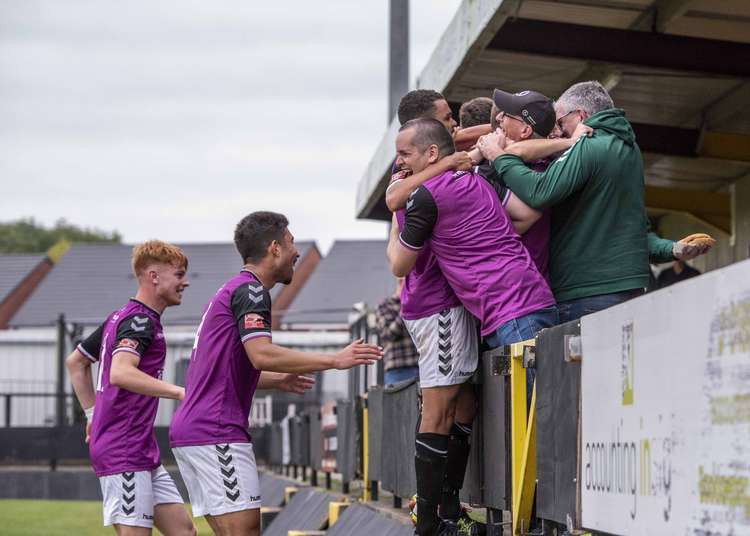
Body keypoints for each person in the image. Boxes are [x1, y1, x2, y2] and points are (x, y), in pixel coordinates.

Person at [387, 119, 557, 536]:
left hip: (501, 307)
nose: (399, 161)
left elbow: (398, 262)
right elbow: (517, 212)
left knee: (507, 415)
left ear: (429, 154)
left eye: (405, 153)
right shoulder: (470, 180)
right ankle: (439, 519)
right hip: (512, 301)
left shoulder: (430, 192)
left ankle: (440, 520)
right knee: (464, 407)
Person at [168, 211, 382, 536]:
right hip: (215, 432)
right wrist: (335, 360)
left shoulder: (233, 291)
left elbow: (225, 371)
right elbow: (261, 354)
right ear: (274, 248)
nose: (296, 251)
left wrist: (278, 379)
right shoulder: (252, 292)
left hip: (196, 431)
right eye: (292, 242)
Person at [479, 81, 712, 323]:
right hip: (626, 291)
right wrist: (672, 249)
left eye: (560, 123)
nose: (557, 131)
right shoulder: (629, 150)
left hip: (585, 294)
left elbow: (540, 191)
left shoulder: (587, 147)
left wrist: (499, 157)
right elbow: (633, 230)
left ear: (581, 116)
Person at [66, 240, 196, 536]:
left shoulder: (122, 316)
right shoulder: (139, 320)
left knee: (185, 532)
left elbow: (75, 362)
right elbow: (121, 372)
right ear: (153, 277)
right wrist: (179, 392)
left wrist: (90, 415)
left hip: (139, 446)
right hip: (122, 449)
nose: (185, 282)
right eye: (179, 275)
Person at [375, 278, 420, 385]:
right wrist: (405, 308)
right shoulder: (385, 305)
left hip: (420, 367)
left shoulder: (418, 304)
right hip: (397, 370)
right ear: (401, 282)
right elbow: (388, 334)